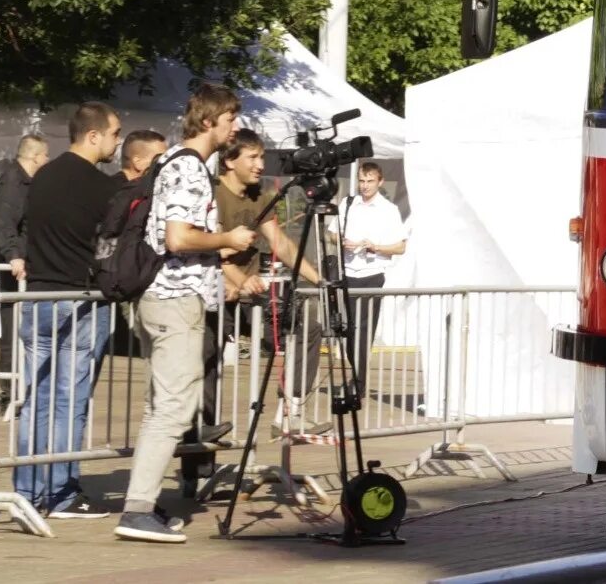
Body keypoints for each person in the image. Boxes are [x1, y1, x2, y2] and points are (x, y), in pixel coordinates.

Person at [116, 85, 254, 545]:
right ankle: (136, 510)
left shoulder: (172, 162)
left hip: (161, 299)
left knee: (163, 406)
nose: (234, 128)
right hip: (175, 299)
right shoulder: (190, 170)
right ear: (211, 120)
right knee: (172, 408)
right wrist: (227, 239)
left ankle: (143, 500)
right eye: (231, 119)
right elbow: (178, 238)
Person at [14, 104, 121, 518]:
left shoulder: (42, 177)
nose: (116, 141)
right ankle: (60, 492)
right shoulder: (102, 187)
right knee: (68, 398)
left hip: (38, 295)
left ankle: (27, 488)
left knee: (35, 397)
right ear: (92, 135)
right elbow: (109, 243)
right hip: (79, 297)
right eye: (113, 133)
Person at [210, 130, 321, 434]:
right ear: (230, 161)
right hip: (216, 290)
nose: (260, 164)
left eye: (262, 157)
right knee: (206, 364)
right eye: (253, 157)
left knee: (310, 322)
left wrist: (320, 282)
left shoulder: (261, 194)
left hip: (253, 291)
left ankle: (291, 410)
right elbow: (215, 253)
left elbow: (282, 245)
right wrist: (238, 279)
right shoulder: (212, 193)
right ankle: (199, 446)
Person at [340, 161, 408, 397]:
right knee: (349, 329)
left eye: (370, 181)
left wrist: (375, 247)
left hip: (372, 274)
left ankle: (358, 384)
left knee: (364, 329)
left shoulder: (389, 209)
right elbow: (331, 234)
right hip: (348, 272)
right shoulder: (348, 204)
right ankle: (356, 376)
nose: (365, 186)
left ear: (380, 182)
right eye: (362, 181)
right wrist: (341, 241)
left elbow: (400, 247)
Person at [0, 134, 46, 409]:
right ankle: (9, 394)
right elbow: (6, 222)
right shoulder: (13, 181)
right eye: (45, 156)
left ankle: (17, 391)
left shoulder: (24, 181)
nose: (46, 161)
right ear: (35, 156)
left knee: (20, 328)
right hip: (16, 268)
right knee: (12, 329)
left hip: (22, 263)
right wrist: (14, 256)